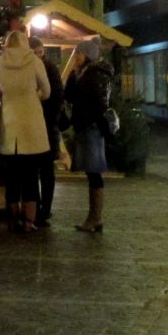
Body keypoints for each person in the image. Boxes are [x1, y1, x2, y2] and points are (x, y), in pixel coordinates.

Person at [0, 30, 51, 232]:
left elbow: (0, 89)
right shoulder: (34, 61)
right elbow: (47, 91)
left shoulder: (1, 62)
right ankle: (29, 221)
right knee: (30, 176)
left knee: (12, 177)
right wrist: (34, 95)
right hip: (32, 125)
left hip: (10, 124)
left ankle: (13, 218)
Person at [64, 37, 115, 232]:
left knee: (94, 172)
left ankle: (95, 218)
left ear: (88, 56)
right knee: (91, 172)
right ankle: (94, 217)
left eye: (79, 53)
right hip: (85, 126)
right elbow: (69, 96)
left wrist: (87, 117)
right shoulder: (82, 74)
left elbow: (99, 104)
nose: (76, 56)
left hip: (91, 128)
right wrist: (72, 76)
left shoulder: (95, 75)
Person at [29, 36, 64, 227]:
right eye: (34, 53)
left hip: (47, 125)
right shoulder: (34, 68)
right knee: (37, 169)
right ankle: (37, 208)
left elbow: (57, 95)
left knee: (46, 170)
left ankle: (45, 210)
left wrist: (50, 118)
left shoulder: (49, 69)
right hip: (38, 125)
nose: (37, 56)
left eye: (40, 53)